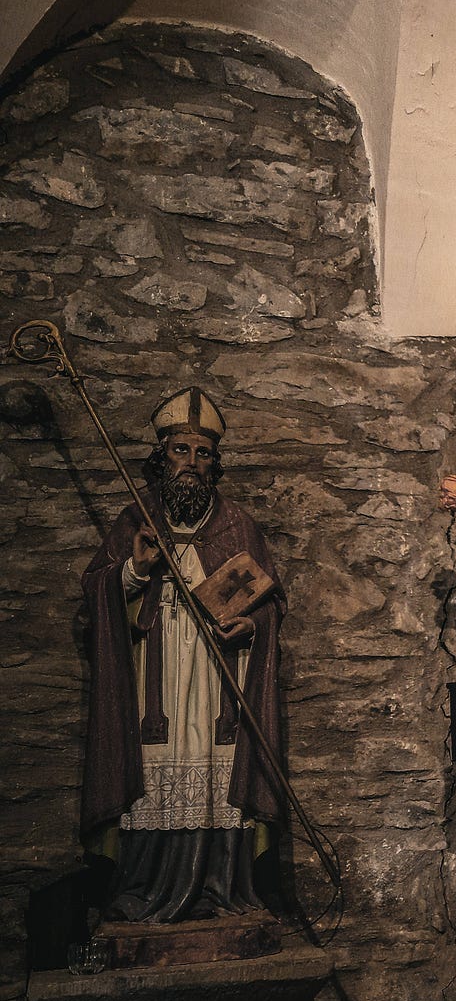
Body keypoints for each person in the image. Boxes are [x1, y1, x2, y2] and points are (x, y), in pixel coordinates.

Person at [81, 387, 285, 920]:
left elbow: (270, 605)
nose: (191, 463)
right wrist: (136, 570)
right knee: (152, 776)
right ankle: (144, 889)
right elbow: (97, 591)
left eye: (202, 453)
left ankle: (221, 889)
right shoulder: (137, 519)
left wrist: (253, 622)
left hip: (221, 672)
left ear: (215, 462)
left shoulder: (237, 525)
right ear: (162, 455)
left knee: (218, 772)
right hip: (157, 671)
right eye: (180, 450)